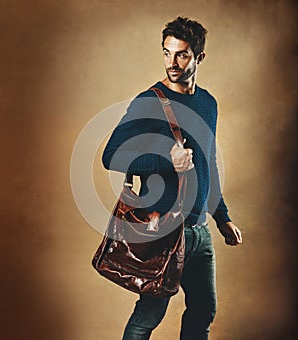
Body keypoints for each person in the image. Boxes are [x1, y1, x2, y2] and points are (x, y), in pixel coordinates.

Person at [102, 16, 242, 340]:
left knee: (203, 311)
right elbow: (111, 155)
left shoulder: (209, 104)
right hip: (165, 229)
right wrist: (167, 158)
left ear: (199, 57)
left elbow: (209, 165)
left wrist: (223, 219)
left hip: (200, 232)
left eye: (181, 55)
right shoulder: (150, 101)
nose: (172, 63)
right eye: (167, 53)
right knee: (148, 315)